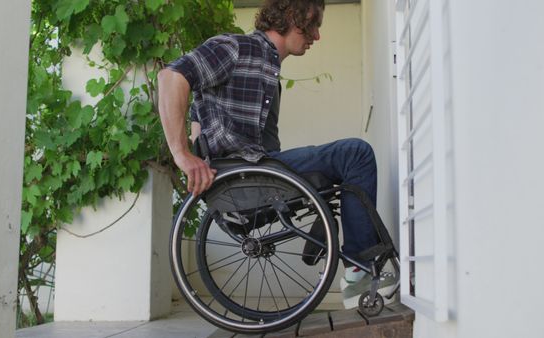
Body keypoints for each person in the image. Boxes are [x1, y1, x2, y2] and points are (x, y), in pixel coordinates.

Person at [157, 0, 394, 309]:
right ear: (293, 16)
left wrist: (202, 146)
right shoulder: (235, 47)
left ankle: (329, 232)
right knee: (355, 154)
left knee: (337, 167)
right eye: (313, 24)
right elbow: (171, 78)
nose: (316, 36)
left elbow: (201, 115)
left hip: (256, 171)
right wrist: (183, 155)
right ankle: (360, 273)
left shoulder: (268, 71)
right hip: (246, 174)